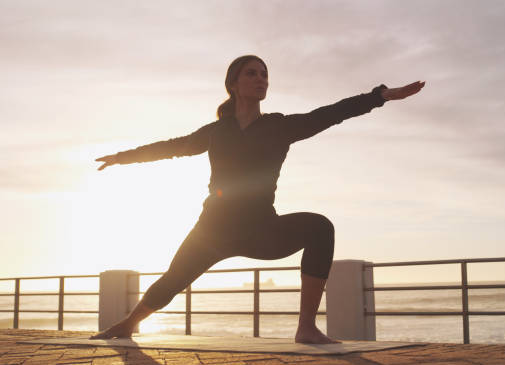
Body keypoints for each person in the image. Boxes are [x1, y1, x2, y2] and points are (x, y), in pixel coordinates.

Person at [91, 55, 425, 344]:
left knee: (320, 227)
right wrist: (122, 157)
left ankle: (306, 328)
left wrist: (380, 96)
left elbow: (331, 113)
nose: (260, 79)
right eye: (252, 73)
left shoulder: (279, 126)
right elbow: (171, 147)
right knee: (172, 281)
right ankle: (128, 324)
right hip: (213, 231)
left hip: (262, 229)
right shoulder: (216, 131)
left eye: (264, 74)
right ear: (233, 84)